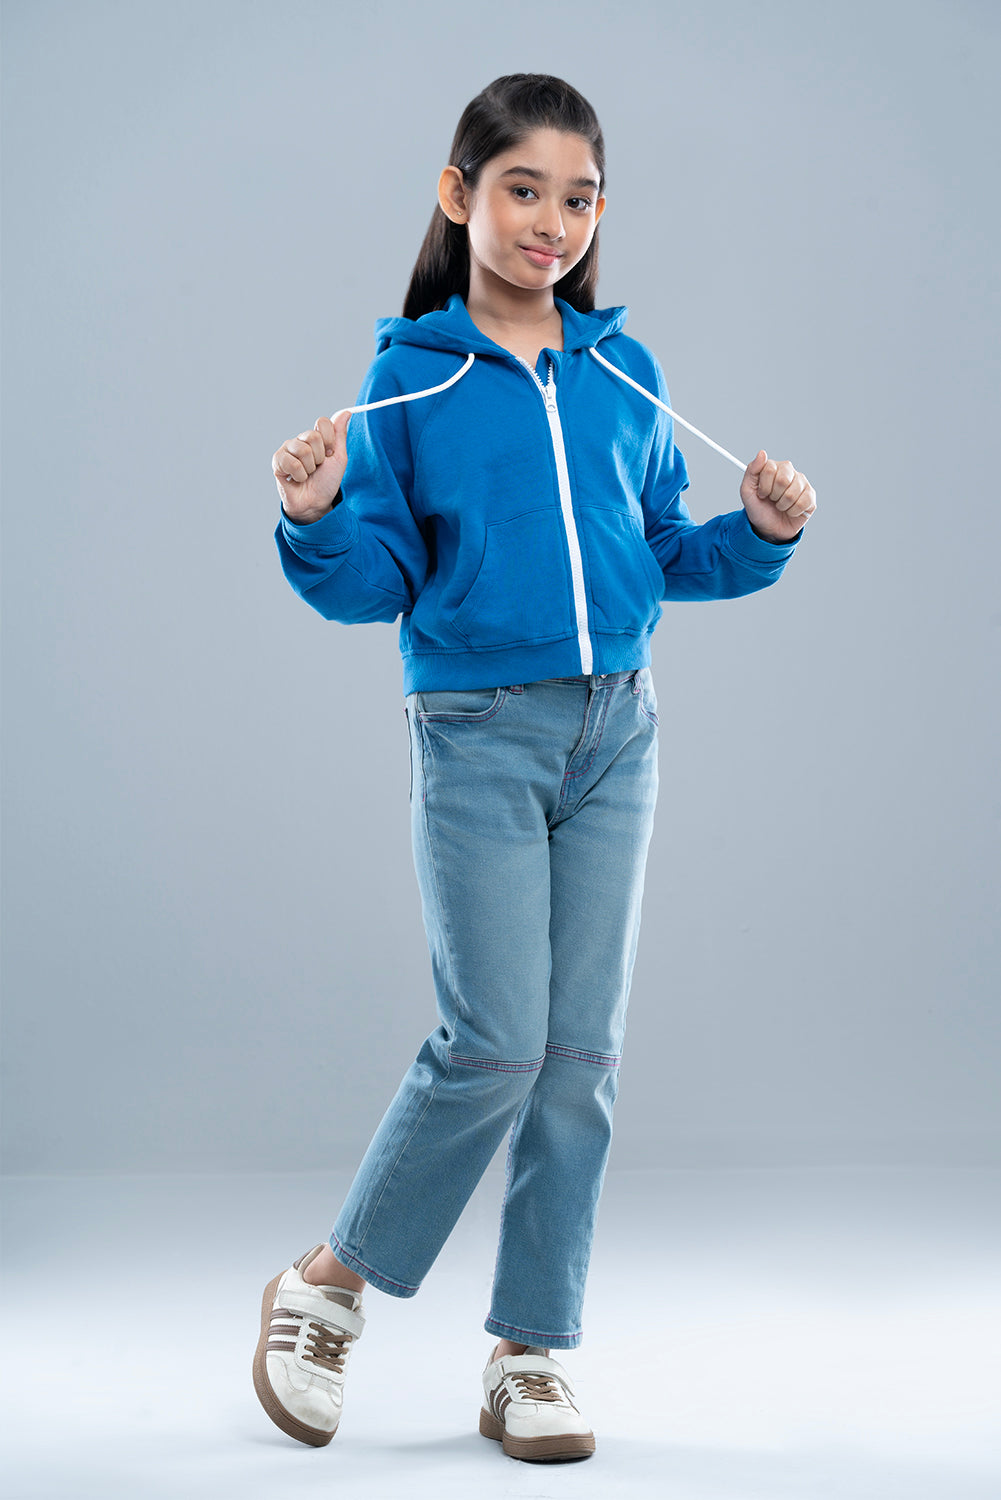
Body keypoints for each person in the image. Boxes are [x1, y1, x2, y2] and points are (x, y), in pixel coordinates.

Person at [255, 73, 816, 1465]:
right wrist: (314, 515)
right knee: (494, 1044)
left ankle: (530, 1353)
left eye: (578, 198)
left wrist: (757, 535)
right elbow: (376, 581)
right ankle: (326, 1286)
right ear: (459, 196)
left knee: (579, 1058)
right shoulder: (412, 379)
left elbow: (660, 557)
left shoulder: (626, 373)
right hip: (476, 730)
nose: (551, 222)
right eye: (523, 190)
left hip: (617, 731)